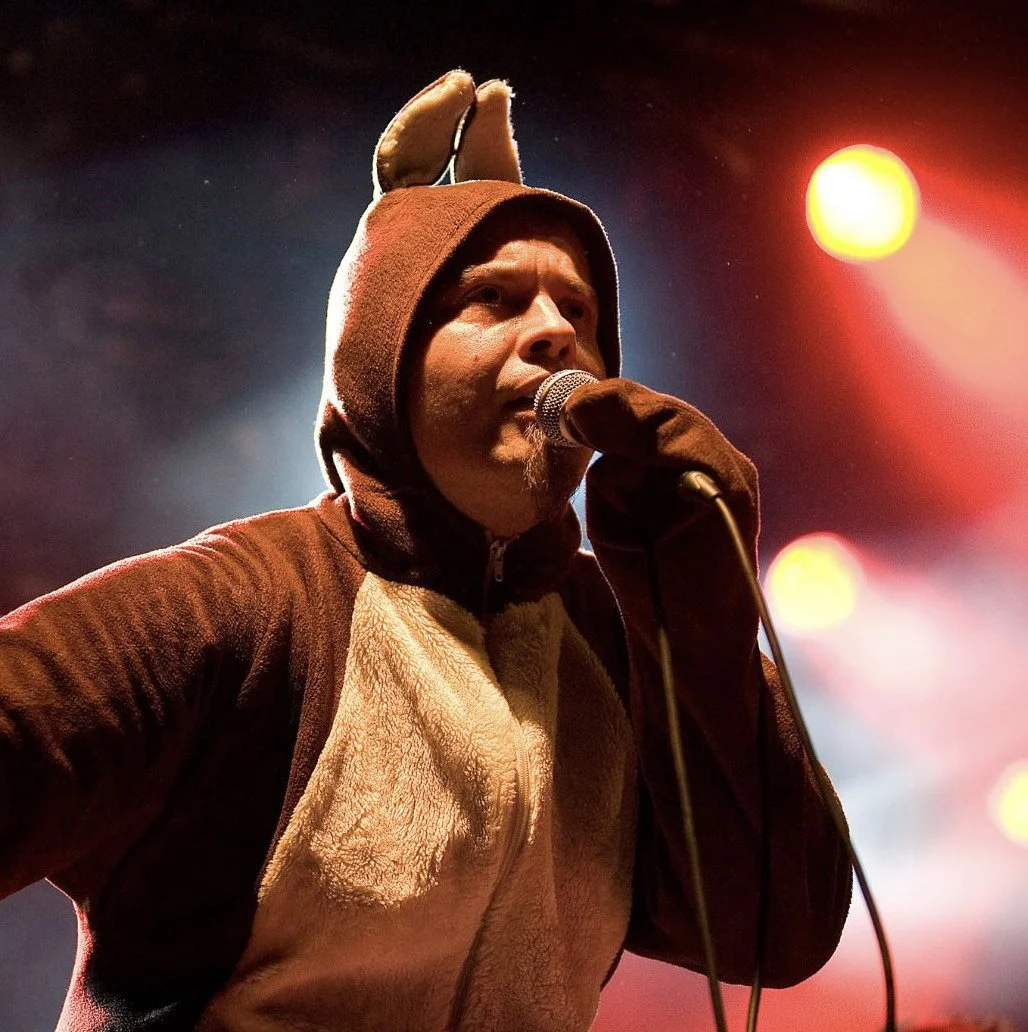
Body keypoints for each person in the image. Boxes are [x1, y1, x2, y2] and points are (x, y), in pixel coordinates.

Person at [0, 71, 852, 1031]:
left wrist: (696, 634)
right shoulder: (242, 607)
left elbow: (776, 937)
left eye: (579, 313)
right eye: (494, 298)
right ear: (385, 355)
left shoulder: (620, 642)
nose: (555, 335)